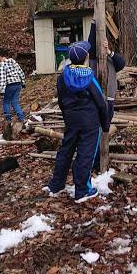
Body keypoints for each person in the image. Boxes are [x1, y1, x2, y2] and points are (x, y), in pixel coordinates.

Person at [46, 40, 110, 204]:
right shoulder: (89, 78)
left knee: (65, 151)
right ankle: (82, 190)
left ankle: (56, 185)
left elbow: (61, 100)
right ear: (86, 57)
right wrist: (105, 124)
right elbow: (101, 103)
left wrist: (67, 116)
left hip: (71, 120)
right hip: (89, 122)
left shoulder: (62, 78)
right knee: (85, 154)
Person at [88, 19, 125, 123]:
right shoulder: (93, 60)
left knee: (106, 124)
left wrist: (109, 51)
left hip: (109, 98)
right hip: (96, 98)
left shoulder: (111, 59)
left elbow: (122, 64)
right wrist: (94, 24)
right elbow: (91, 43)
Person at [0, 48, 25, 122]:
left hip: (9, 86)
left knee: (6, 102)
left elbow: (2, 79)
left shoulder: (1, 65)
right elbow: (20, 72)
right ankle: (22, 119)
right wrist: (23, 82)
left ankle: (8, 121)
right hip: (18, 84)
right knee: (15, 102)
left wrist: (2, 91)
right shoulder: (12, 61)